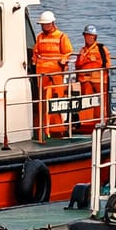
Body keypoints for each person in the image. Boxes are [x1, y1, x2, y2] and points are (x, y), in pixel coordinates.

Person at [32, 10, 73, 138]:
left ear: (52, 23)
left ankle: (57, 128)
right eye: (43, 24)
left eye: (46, 24)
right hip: (42, 74)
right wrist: (34, 60)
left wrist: (64, 60)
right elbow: (35, 52)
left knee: (56, 101)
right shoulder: (40, 37)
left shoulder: (61, 36)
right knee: (43, 101)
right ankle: (43, 128)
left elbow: (68, 52)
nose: (44, 26)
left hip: (56, 74)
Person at [74, 24, 110, 132]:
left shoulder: (101, 49)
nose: (88, 38)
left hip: (99, 81)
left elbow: (107, 64)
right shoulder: (82, 50)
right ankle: (87, 126)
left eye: (91, 36)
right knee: (86, 104)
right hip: (85, 81)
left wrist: (91, 69)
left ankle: (102, 125)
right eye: (86, 35)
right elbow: (78, 65)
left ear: (95, 37)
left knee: (100, 104)